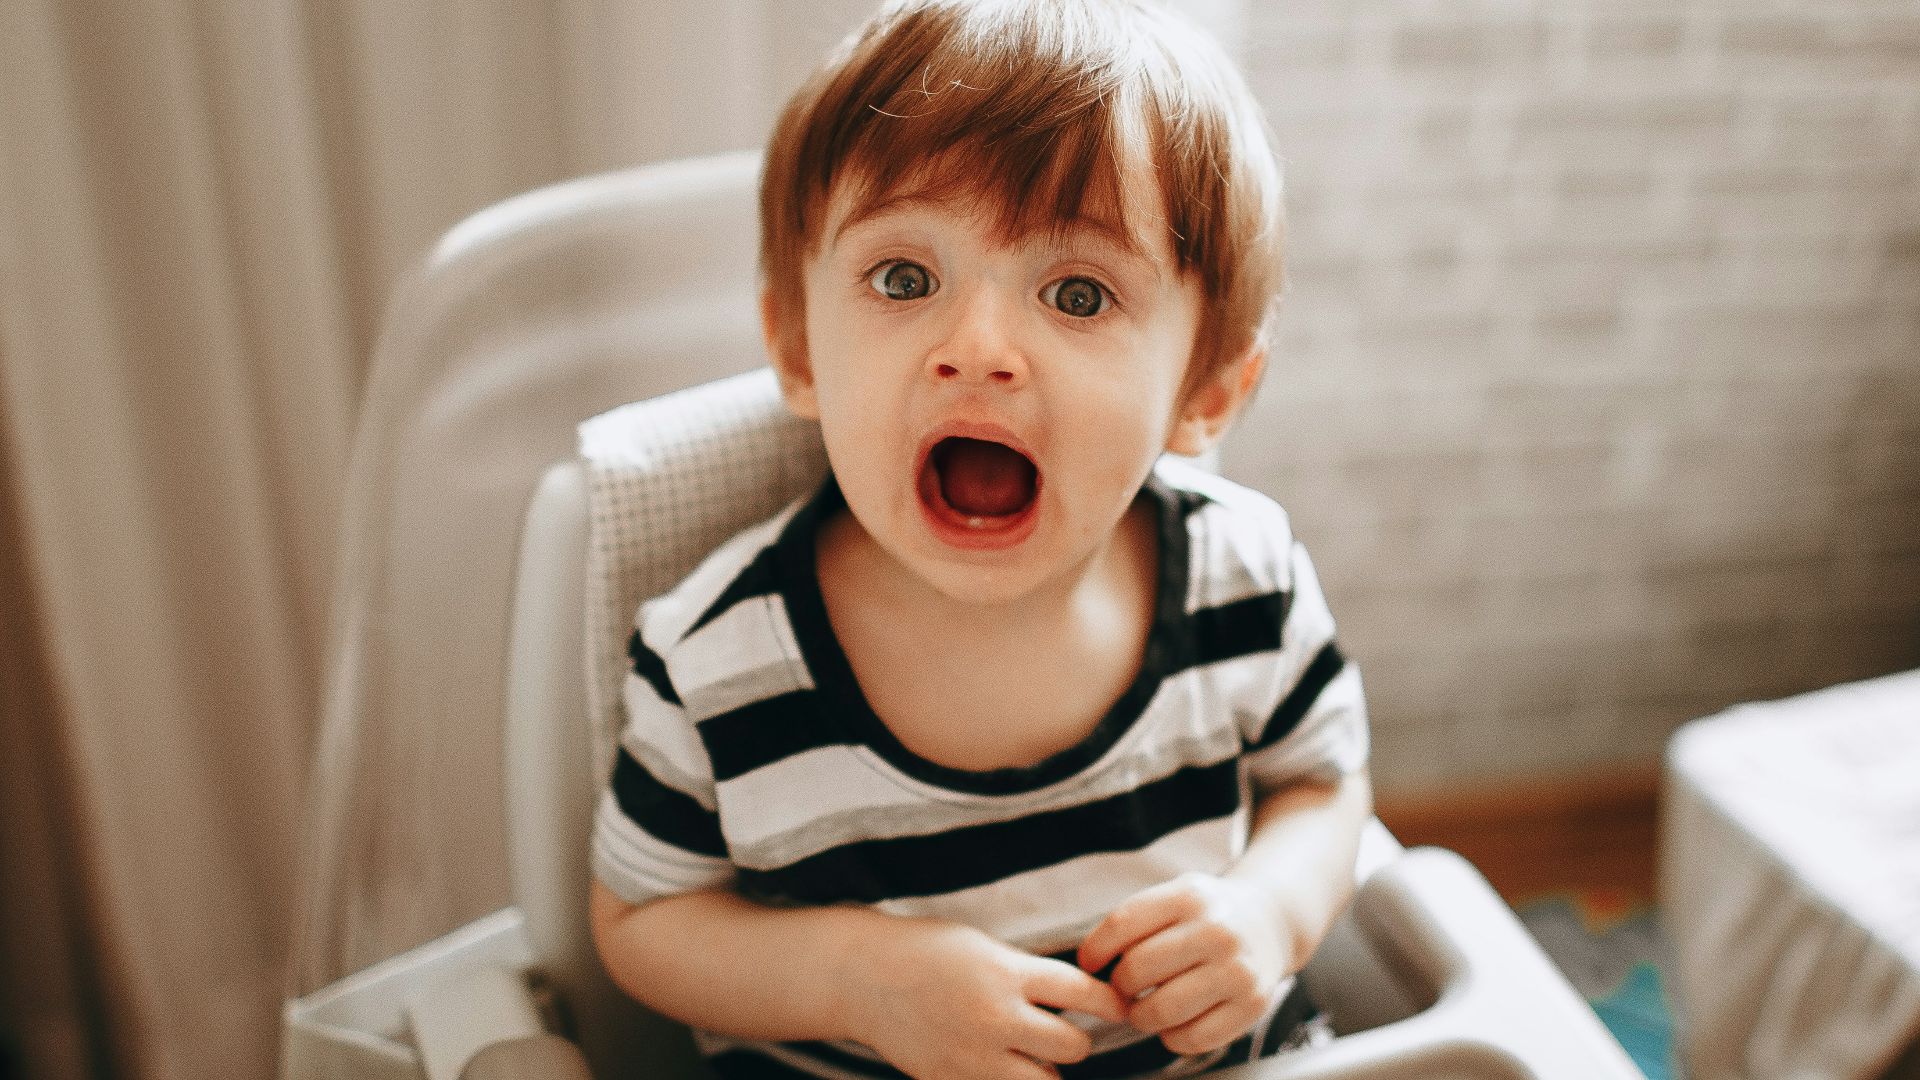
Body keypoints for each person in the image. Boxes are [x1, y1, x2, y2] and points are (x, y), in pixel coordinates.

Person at [588, 1, 1372, 1077]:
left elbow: (1322, 787)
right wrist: (861, 979)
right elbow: (641, 920)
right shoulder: (719, 666)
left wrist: (1269, 913)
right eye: (905, 279)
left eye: (1079, 291)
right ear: (798, 348)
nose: (980, 348)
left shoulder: (1247, 583)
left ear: (1208, 392)